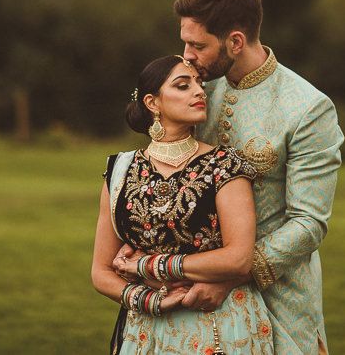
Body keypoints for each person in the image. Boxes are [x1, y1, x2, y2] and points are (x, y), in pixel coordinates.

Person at [174, 0, 344, 354]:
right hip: (192, 289)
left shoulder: (308, 108)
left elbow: (308, 222)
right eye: (185, 42)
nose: (186, 55)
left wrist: (232, 276)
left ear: (235, 41)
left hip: (278, 295)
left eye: (197, 45)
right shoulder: (195, 90)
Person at [92, 54, 274, 355]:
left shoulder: (225, 166)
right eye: (183, 85)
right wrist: (152, 301)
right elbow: (100, 271)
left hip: (219, 326)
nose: (199, 91)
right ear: (153, 103)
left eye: (199, 84)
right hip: (145, 331)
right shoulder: (120, 171)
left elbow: (238, 258)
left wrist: (149, 265)